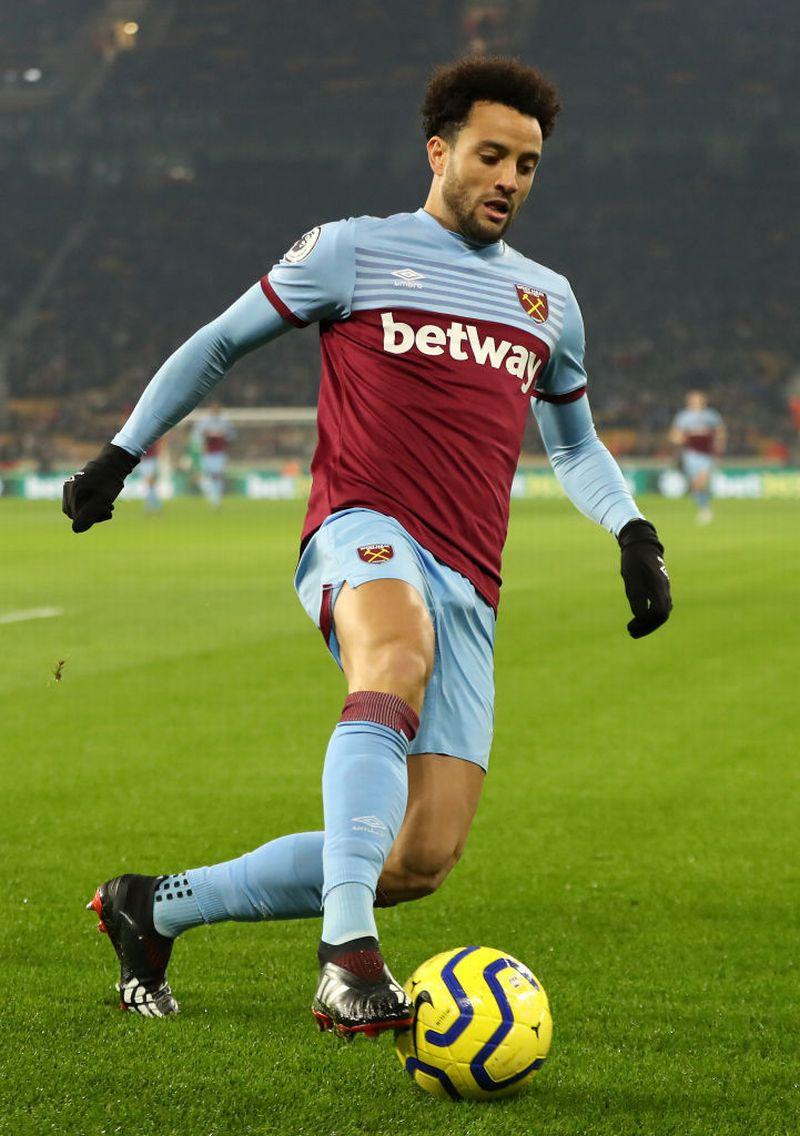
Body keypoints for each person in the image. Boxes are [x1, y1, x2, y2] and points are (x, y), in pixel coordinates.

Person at [63, 56, 672, 1035]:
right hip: (362, 528)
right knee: (394, 652)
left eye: (526, 164)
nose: (509, 179)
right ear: (438, 152)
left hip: (469, 576)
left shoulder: (546, 301)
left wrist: (631, 529)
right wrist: (120, 453)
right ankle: (345, 957)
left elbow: (573, 444)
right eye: (490, 155)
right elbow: (219, 341)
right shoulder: (352, 250)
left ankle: (153, 906)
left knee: (417, 858)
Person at [669, 390, 726, 523]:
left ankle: (705, 508)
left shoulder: (711, 415)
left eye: (698, 399)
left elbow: (720, 431)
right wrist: (681, 439)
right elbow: (674, 434)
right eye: (693, 400)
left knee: (702, 480)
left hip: (706, 454)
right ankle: (704, 508)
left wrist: (720, 444)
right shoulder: (684, 416)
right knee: (695, 484)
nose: (696, 402)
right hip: (690, 454)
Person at [192, 402, 234, 507]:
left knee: (217, 475)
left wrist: (224, 437)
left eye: (217, 409)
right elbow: (196, 437)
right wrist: (203, 440)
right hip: (207, 453)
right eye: (213, 409)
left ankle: (216, 499)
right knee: (206, 475)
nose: (215, 411)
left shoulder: (225, 422)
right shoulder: (204, 422)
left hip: (219, 453)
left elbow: (231, 436)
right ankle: (210, 493)